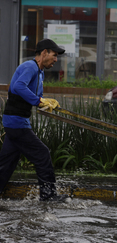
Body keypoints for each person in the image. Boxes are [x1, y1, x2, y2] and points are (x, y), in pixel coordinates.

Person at [0, 38, 69, 202]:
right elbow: (18, 87)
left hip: (17, 122)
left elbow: (36, 97)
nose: (55, 59)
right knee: (42, 153)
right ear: (44, 53)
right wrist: (39, 101)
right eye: (54, 55)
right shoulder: (29, 66)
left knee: (6, 163)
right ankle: (48, 196)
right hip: (16, 123)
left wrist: (47, 103)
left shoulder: (40, 72)